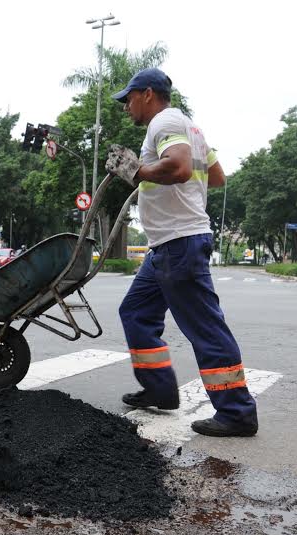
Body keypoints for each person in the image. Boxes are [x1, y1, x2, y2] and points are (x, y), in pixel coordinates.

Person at [106, 68, 258, 438]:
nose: (126, 106)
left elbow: (178, 166)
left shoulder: (165, 122)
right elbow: (216, 176)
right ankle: (159, 389)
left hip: (180, 243)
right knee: (136, 312)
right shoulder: (191, 128)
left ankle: (237, 412)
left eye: (128, 98)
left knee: (205, 327)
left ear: (146, 94)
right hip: (165, 246)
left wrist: (138, 170)